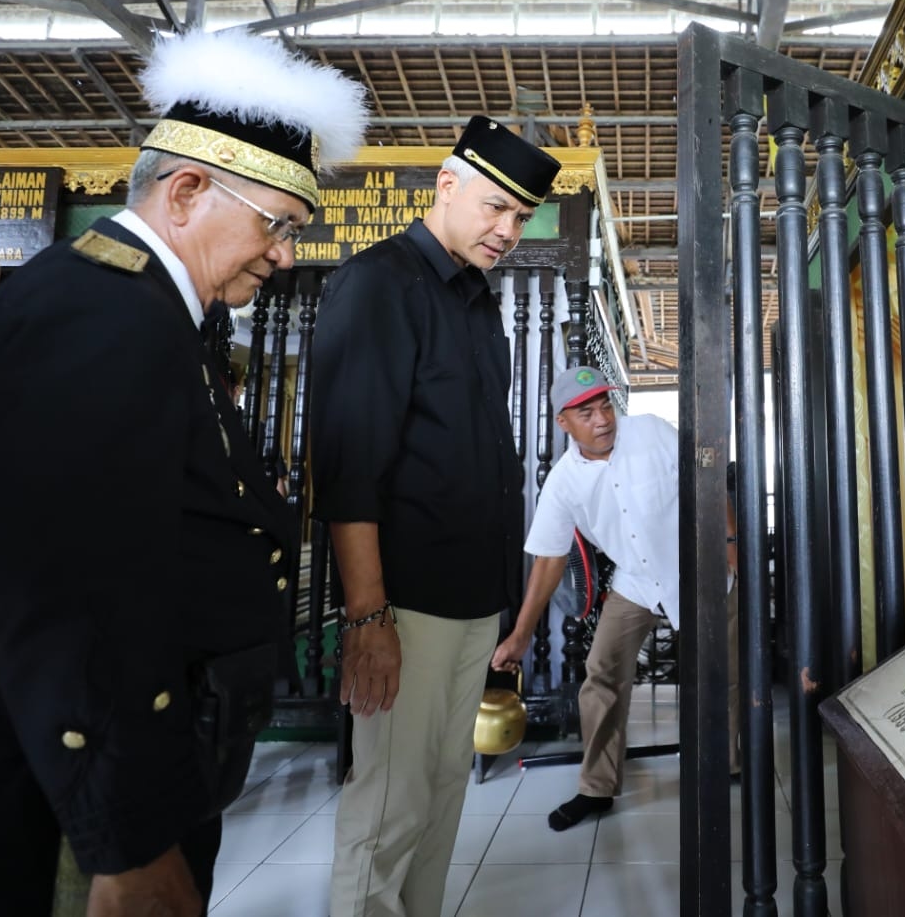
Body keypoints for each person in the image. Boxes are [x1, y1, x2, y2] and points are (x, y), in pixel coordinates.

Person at [0, 28, 368, 917]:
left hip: (121, 768)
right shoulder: (102, 316)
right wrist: (130, 840)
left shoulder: (147, 309)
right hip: (71, 800)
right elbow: (75, 592)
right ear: (188, 190)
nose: (284, 255)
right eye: (278, 225)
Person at [311, 115, 561, 917]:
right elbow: (351, 471)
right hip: (405, 602)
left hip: (471, 602)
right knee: (389, 806)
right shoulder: (380, 283)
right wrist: (368, 614)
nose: (508, 231)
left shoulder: (475, 303)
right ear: (445, 185)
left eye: (521, 218)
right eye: (495, 208)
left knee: (445, 793)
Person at [490, 366, 739, 831]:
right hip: (636, 582)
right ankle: (597, 787)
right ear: (564, 423)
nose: (603, 418)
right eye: (587, 412)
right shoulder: (563, 483)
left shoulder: (651, 433)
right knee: (600, 676)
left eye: (606, 405)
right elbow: (547, 560)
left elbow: (707, 479)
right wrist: (521, 635)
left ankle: (724, 766)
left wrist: (731, 545)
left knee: (719, 676)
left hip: (701, 571)